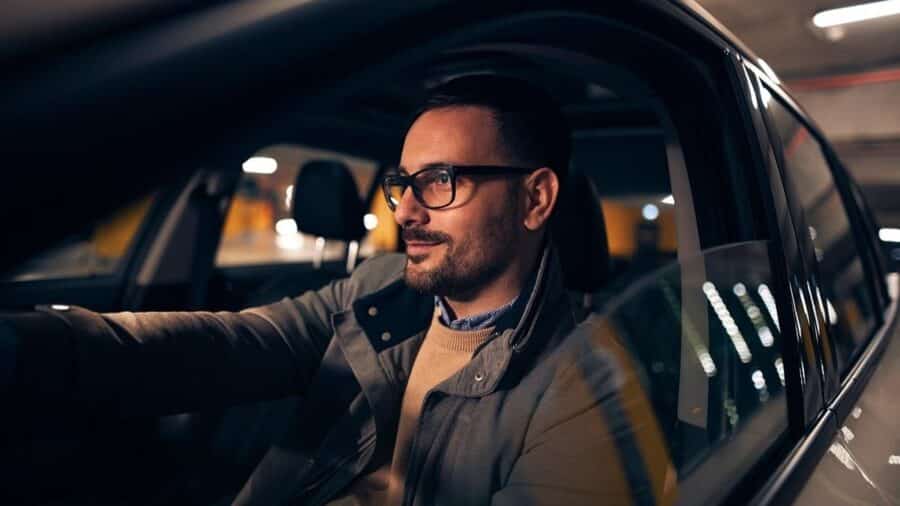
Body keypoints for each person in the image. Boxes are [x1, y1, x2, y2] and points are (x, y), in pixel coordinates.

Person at [0, 75, 673, 505]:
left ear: (535, 199)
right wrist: (39, 345)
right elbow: (238, 341)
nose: (406, 212)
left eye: (440, 182)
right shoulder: (383, 291)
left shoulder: (586, 385)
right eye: (402, 184)